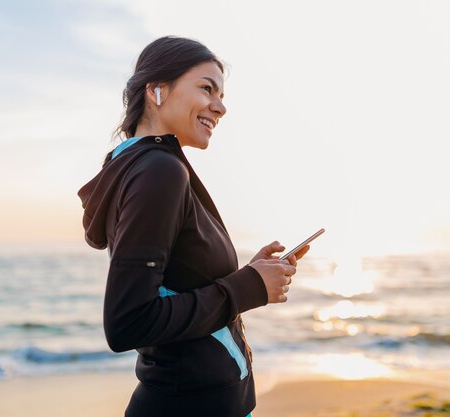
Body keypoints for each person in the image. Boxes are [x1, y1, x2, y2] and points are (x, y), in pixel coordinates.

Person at [78, 36, 310, 417]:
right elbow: (128, 323)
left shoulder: (141, 166)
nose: (220, 107)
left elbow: (177, 285)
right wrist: (249, 286)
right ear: (157, 90)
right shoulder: (159, 170)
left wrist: (251, 274)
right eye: (207, 88)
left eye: (221, 94)